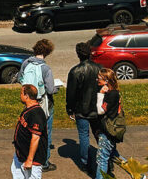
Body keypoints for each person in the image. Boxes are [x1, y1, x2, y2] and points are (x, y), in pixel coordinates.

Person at [20, 39, 57, 172]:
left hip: (29, 101)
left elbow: (21, 79)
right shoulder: (46, 68)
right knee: (45, 132)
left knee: (30, 130)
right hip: (43, 102)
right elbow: (51, 89)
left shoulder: (26, 63)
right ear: (47, 52)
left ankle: (28, 155)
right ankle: (44, 162)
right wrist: (57, 89)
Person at [65, 42, 102, 173]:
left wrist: (70, 109)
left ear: (78, 54)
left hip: (81, 109)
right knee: (99, 135)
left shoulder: (75, 71)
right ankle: (105, 157)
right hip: (98, 108)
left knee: (84, 136)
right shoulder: (99, 68)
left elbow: (71, 93)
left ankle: (86, 162)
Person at [12, 84, 48, 179]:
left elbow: (35, 138)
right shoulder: (29, 109)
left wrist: (29, 160)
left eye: (21, 93)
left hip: (32, 159)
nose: (20, 95)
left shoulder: (36, 114)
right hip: (21, 155)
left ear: (26, 96)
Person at [95, 69, 122, 179]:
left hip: (107, 131)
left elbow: (100, 110)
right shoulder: (113, 92)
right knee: (115, 156)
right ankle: (139, 174)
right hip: (108, 130)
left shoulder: (111, 95)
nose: (97, 80)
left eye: (99, 78)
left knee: (102, 159)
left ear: (106, 81)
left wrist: (100, 95)